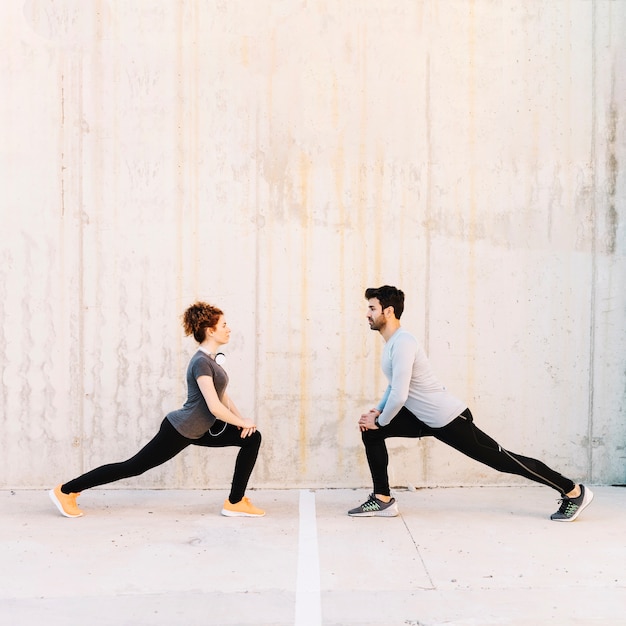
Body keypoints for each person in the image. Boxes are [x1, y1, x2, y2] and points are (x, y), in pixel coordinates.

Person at [348, 285, 594, 522]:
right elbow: (394, 386)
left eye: (372, 308)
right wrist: (378, 412)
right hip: (423, 417)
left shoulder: (403, 342)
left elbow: (400, 395)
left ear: (388, 311)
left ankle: (573, 491)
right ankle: (382, 498)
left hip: (448, 418)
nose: (367, 314)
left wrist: (380, 420)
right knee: (371, 432)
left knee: (505, 461)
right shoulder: (392, 343)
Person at [50, 301, 265, 518]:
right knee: (133, 467)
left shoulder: (210, 361)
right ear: (210, 331)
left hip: (201, 427)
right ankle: (66, 491)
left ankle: (235, 502)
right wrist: (241, 423)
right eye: (224, 325)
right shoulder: (200, 362)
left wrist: (242, 419)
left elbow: (222, 395)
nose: (229, 329)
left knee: (252, 438)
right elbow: (214, 406)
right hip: (181, 428)